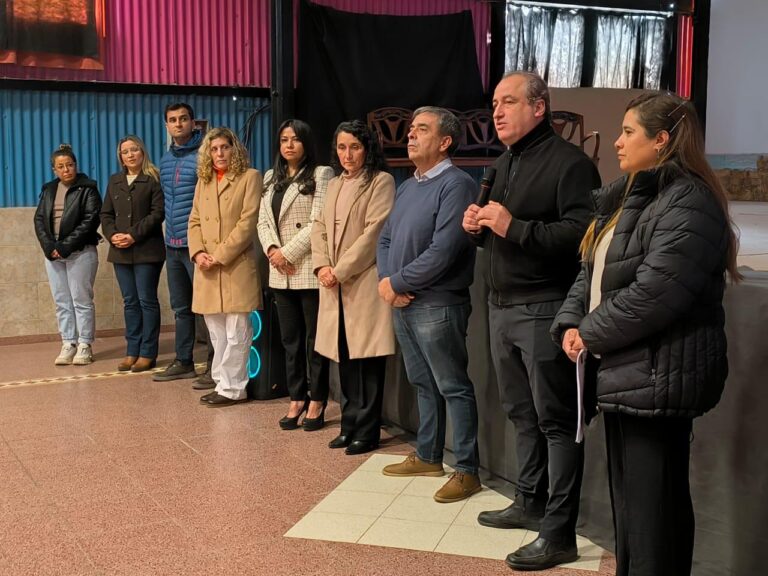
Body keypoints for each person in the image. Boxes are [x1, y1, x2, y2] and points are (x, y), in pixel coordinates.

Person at [552, 93, 739, 576]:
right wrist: (573, 322)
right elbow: (592, 269)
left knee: (655, 514)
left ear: (662, 140)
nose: (615, 141)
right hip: (627, 370)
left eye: (628, 132)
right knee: (633, 511)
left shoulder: (689, 200)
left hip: (658, 373)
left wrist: (591, 332)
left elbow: (656, 292)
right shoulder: (634, 194)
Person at [462, 71, 601, 570]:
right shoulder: (502, 163)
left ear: (539, 107)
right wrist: (477, 226)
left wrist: (513, 227)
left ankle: (559, 533)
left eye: (508, 102)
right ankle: (529, 501)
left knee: (557, 423)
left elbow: (583, 237)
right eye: (494, 103)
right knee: (522, 415)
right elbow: (492, 231)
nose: (496, 112)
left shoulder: (571, 165)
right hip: (502, 306)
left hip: (545, 307)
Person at [377, 107, 481, 504]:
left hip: (438, 304)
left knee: (453, 386)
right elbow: (385, 239)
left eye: (422, 130)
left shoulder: (457, 185)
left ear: (445, 142)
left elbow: (444, 250)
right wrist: (387, 283)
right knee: (423, 383)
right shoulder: (408, 186)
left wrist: (397, 283)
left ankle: (467, 470)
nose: (411, 135)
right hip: (403, 302)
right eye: (411, 129)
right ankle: (428, 455)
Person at [310, 120, 395, 455]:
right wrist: (321, 266)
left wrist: (340, 270)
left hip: (361, 283)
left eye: (355, 147)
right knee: (344, 359)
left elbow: (373, 234)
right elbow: (318, 227)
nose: (348, 154)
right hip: (332, 283)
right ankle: (349, 424)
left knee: (368, 361)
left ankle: (368, 429)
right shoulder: (333, 183)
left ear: (368, 148)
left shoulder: (381, 181)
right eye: (342, 147)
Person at [258, 119, 333, 431]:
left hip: (306, 268)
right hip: (280, 272)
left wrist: (286, 253)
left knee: (314, 340)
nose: (288, 145)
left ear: (306, 143)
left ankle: (317, 399)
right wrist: (272, 250)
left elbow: (318, 222)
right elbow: (262, 220)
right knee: (290, 340)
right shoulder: (270, 177)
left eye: (295, 140)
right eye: (284, 139)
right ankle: (296, 397)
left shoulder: (321, 173)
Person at [188, 127, 263, 407]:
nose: (219, 153)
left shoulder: (250, 177)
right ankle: (221, 382)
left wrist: (218, 255)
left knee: (236, 331)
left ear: (235, 149)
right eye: (214, 148)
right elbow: (194, 220)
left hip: (235, 266)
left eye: (225, 147)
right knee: (217, 332)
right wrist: (197, 253)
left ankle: (234, 388)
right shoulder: (203, 181)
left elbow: (247, 222)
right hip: (206, 267)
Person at [153, 103, 215, 386]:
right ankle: (184, 361)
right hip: (173, 244)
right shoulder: (165, 161)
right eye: (172, 120)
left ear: (193, 123)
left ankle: (215, 366)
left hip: (198, 246)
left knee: (210, 308)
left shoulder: (206, 156)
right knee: (181, 308)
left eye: (183, 119)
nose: (178, 124)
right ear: (166, 125)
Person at [100, 136, 165, 373]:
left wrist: (132, 235)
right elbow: (105, 214)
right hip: (120, 252)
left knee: (147, 301)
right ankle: (132, 350)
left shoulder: (152, 180)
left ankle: (148, 353)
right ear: (120, 156)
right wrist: (112, 235)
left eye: (134, 149)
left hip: (147, 250)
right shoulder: (114, 180)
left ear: (142, 152)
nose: (130, 154)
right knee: (130, 302)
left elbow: (157, 214)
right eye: (125, 151)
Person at [34, 144, 101, 366]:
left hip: (80, 252)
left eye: (70, 165)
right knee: (62, 300)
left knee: (81, 299)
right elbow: (39, 220)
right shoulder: (48, 189)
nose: (66, 170)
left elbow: (90, 220)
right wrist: (49, 246)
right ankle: (68, 342)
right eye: (61, 167)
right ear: (54, 169)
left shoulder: (88, 188)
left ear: (75, 166)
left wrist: (64, 246)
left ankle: (84, 344)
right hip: (52, 253)